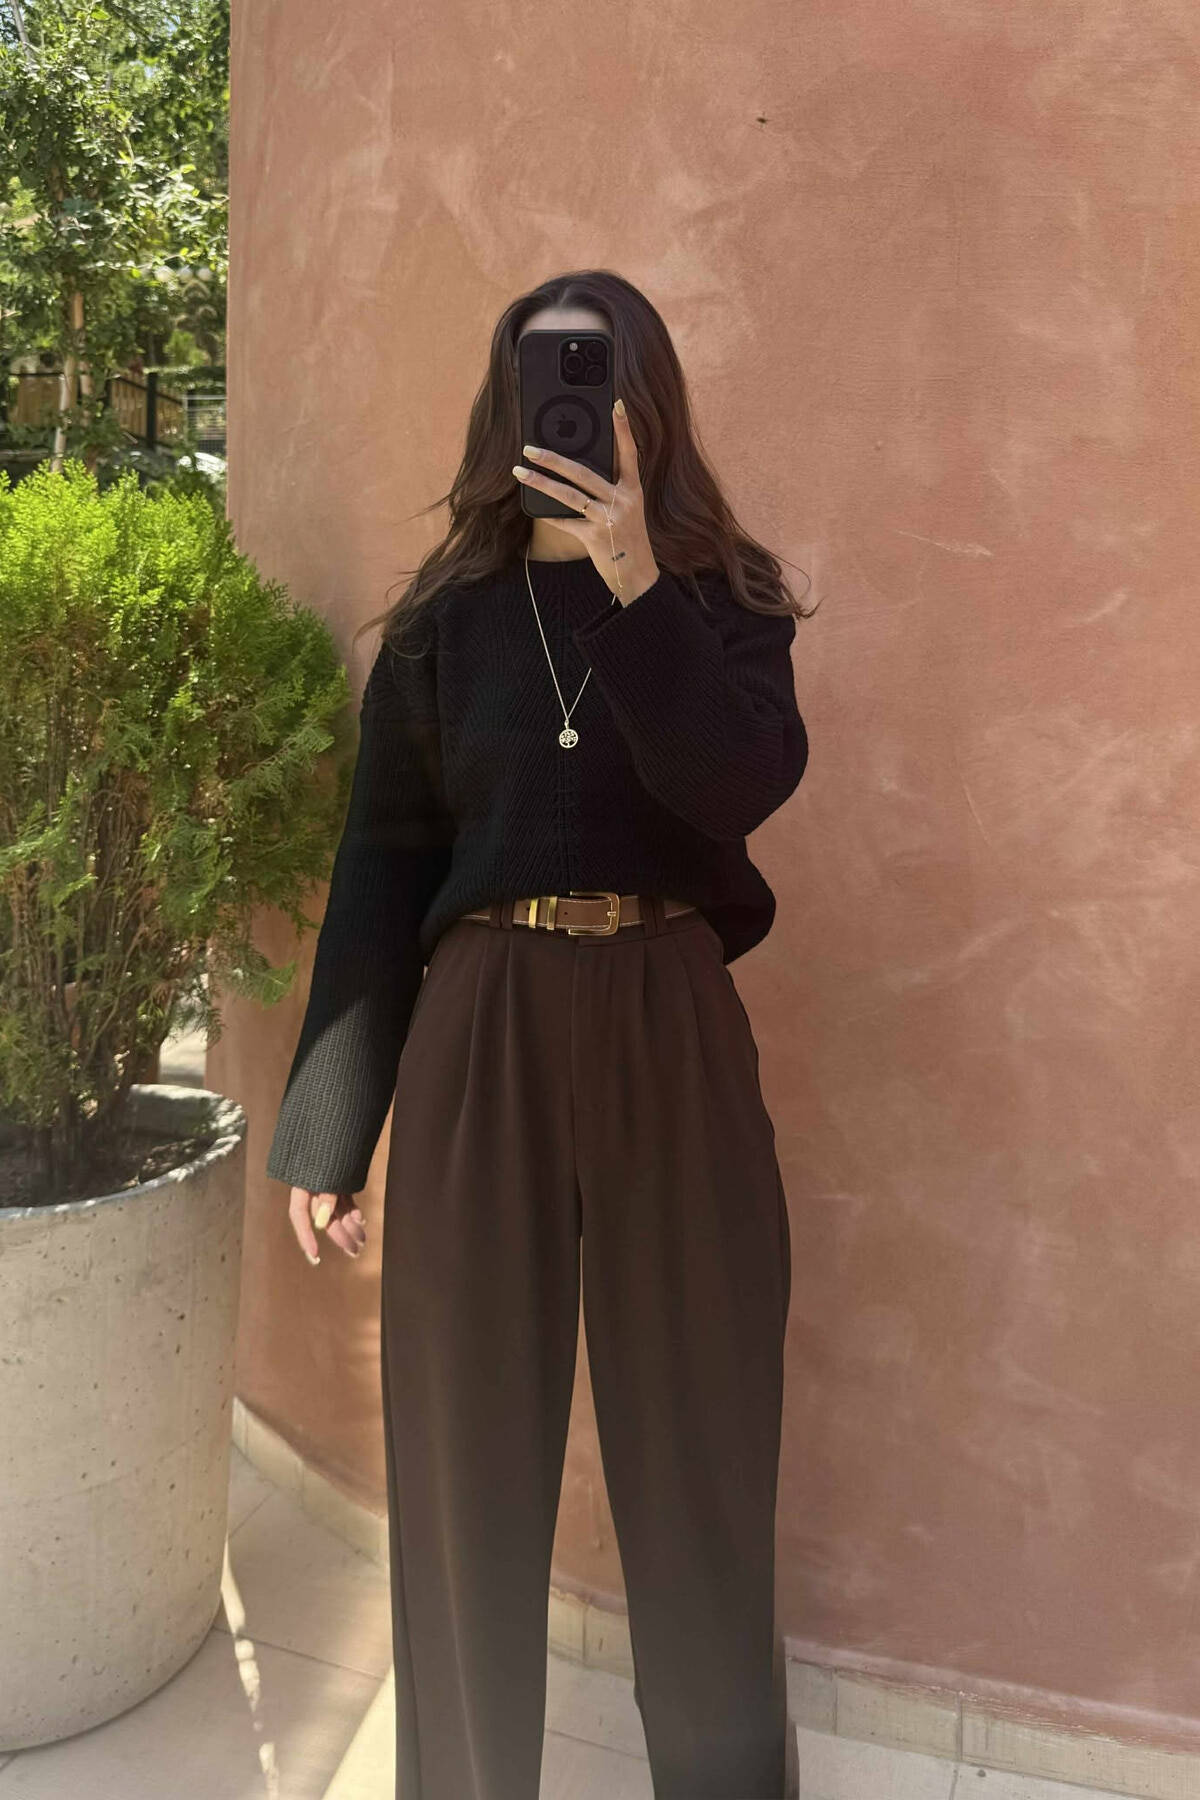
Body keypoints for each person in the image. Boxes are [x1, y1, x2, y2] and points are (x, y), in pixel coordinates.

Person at [265, 268, 813, 1800]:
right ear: (506, 412)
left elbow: (739, 787)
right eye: (542, 382)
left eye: (593, 379)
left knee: (704, 1468)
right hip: (479, 1037)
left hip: (673, 1028)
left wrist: (638, 584)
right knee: (463, 1473)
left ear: (647, 410)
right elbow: (382, 868)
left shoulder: (729, 602)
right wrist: (331, 1122)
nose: (565, 409)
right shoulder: (444, 624)